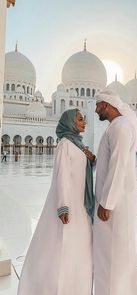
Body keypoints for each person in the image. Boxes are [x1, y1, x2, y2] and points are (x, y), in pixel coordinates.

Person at [17, 108, 96, 295]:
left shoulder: (78, 145)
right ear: (69, 122)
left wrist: (91, 160)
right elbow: (62, 177)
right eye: (79, 119)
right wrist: (63, 206)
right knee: (61, 248)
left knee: (79, 251)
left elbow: (80, 174)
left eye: (83, 119)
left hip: (81, 207)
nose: (83, 122)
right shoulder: (65, 144)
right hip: (68, 206)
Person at [93, 89, 137, 295]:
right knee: (113, 253)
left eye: (97, 105)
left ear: (106, 104)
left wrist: (107, 202)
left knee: (114, 254)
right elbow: (107, 161)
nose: (95, 110)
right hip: (115, 199)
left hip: (116, 202)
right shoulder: (116, 126)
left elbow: (118, 165)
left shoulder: (120, 127)